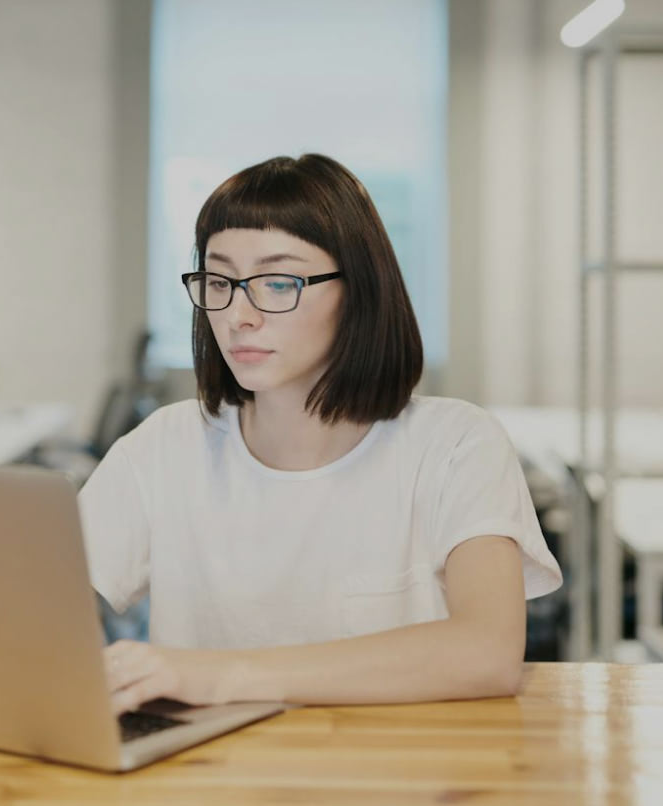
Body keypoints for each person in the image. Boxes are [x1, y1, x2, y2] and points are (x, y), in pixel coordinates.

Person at [78, 153, 563, 716]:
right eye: (219, 279)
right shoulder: (164, 446)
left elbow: (488, 653)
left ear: (358, 292)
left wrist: (217, 675)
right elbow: (26, 612)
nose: (239, 315)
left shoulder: (456, 444)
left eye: (279, 281)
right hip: (204, 779)